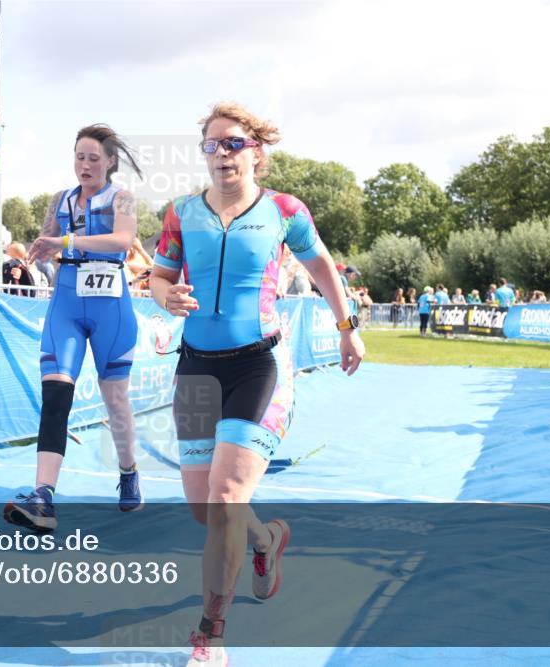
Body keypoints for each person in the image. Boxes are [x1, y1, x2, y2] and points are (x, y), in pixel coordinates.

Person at [148, 102, 365, 667]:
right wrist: (165, 297)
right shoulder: (180, 214)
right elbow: (160, 277)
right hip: (196, 366)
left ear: (256, 152)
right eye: (212, 145)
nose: (222, 154)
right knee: (203, 505)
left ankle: (210, 635)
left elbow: (323, 269)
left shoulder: (285, 211)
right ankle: (266, 540)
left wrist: (348, 329)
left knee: (223, 500)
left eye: (233, 143)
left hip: (258, 367)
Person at [3, 124, 145, 532]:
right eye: (79, 157)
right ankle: (43, 497)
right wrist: (39, 249)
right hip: (66, 300)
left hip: (110, 306)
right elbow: (48, 238)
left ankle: (128, 471)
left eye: (93, 158)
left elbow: (122, 241)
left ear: (110, 161)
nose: (85, 165)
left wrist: (66, 243)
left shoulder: (124, 199)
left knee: (115, 399)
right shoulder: (59, 200)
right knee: (56, 392)